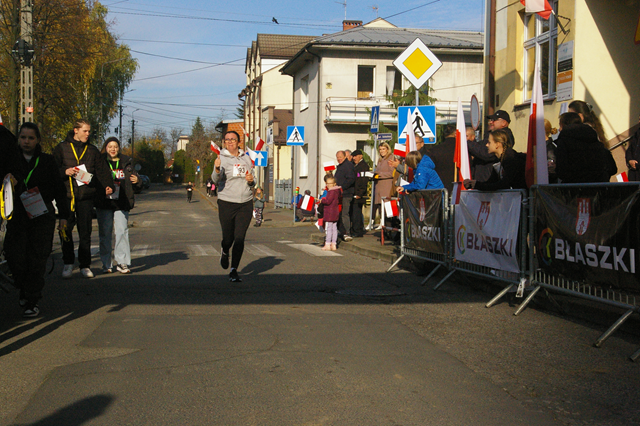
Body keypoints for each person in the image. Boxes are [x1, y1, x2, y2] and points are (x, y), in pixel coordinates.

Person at [4, 122, 69, 317]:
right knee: (15, 257)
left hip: (42, 215)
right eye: (23, 137)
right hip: (17, 215)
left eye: (30, 138)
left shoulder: (47, 161)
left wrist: (64, 216)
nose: (26, 141)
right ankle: (23, 288)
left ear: (38, 140)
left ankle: (32, 300)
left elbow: (59, 189)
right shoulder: (10, 160)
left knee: (37, 259)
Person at [53, 119, 114, 279]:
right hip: (67, 197)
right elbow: (52, 170)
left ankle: (85, 265)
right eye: (85, 131)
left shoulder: (92, 150)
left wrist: (109, 186)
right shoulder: (61, 148)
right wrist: (64, 171)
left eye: (89, 131)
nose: (88, 134)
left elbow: (102, 172)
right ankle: (68, 263)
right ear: (76, 130)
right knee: (65, 231)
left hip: (86, 197)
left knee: (85, 232)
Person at [212, 130, 255, 282]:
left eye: (233, 139)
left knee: (240, 238)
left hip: (245, 203)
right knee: (228, 238)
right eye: (227, 139)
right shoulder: (221, 158)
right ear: (224, 142)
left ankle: (234, 270)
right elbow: (215, 180)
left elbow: (253, 180)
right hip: (227, 202)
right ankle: (225, 250)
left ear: (238, 142)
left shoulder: (247, 158)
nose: (230, 141)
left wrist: (251, 180)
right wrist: (217, 169)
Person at [95, 137, 141, 275]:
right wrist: (102, 190)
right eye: (110, 146)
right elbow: (95, 181)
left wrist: (137, 180)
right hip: (105, 202)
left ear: (119, 148)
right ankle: (106, 264)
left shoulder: (126, 162)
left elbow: (136, 182)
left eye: (115, 146)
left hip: (121, 202)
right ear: (106, 148)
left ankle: (122, 262)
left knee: (122, 232)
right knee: (105, 233)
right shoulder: (100, 161)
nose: (113, 149)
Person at [555, 112, 617, 183]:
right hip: (599, 185)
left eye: (560, 126)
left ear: (564, 125)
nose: (559, 129)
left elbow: (561, 171)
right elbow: (612, 168)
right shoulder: (592, 136)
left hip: (575, 186)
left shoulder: (564, 141)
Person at [469, 110, 515, 183]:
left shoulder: (504, 136)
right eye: (490, 120)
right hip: (483, 179)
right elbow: (480, 147)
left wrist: (468, 144)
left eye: (494, 120)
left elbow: (485, 153)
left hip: (488, 180)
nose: (490, 122)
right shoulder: (491, 135)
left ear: (504, 123)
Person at [425, 124, 456, 193]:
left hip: (440, 184)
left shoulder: (435, 150)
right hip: (458, 184)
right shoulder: (462, 149)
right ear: (455, 134)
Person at [334, 150, 356, 240]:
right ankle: (342, 231)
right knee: (340, 213)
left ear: (344, 157)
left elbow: (351, 179)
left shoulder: (348, 166)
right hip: (340, 193)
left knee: (344, 213)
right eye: (337, 157)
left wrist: (341, 187)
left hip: (346, 193)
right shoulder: (340, 166)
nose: (338, 159)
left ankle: (347, 232)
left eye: (340, 157)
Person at [372, 142, 394, 230]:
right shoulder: (380, 159)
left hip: (387, 188)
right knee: (381, 210)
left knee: (387, 211)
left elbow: (392, 173)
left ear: (387, 149)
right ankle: (383, 227)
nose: (381, 151)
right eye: (380, 149)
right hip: (379, 189)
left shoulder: (391, 158)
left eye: (383, 149)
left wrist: (379, 175)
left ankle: (389, 229)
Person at [320, 176, 342, 251]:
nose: (328, 185)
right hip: (335, 211)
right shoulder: (337, 191)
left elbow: (328, 201)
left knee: (329, 228)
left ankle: (328, 244)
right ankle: (334, 244)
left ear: (334, 184)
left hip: (330, 212)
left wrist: (322, 200)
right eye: (327, 183)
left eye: (330, 183)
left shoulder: (331, 191)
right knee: (334, 228)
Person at [351, 149, 369, 237]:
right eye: (353, 156)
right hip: (354, 192)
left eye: (355, 156)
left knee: (356, 214)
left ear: (360, 156)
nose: (354, 158)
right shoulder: (355, 165)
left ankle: (357, 231)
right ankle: (356, 229)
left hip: (359, 193)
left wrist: (360, 193)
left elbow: (363, 181)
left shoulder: (363, 166)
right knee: (355, 213)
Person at [625, 113, 640, 181]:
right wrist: (630, 160)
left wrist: (637, 165)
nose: (639, 122)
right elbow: (629, 150)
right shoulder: (637, 134)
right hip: (634, 175)